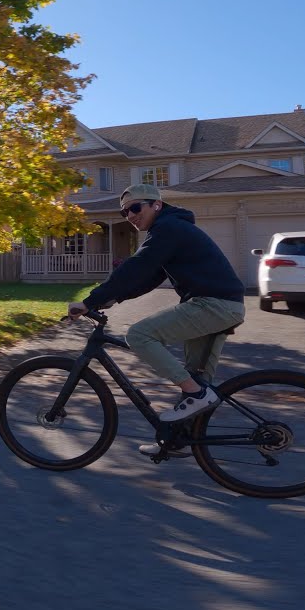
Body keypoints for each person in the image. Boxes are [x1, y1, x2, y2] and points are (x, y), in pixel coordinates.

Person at [67, 183, 246, 455]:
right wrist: (113, 298)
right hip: (221, 305)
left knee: (139, 335)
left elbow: (138, 266)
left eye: (136, 208)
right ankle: (178, 441)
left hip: (213, 305)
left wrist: (90, 300)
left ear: (156, 205)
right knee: (196, 378)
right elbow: (151, 277)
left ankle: (197, 395)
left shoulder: (168, 229)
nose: (130, 216)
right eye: (125, 213)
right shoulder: (172, 229)